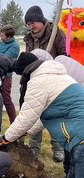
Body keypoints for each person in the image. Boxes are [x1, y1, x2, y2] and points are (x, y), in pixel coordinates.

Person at [0, 52, 84, 178]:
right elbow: (49, 113)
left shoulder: (38, 82)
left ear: (25, 72)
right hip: (80, 137)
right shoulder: (59, 77)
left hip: (81, 139)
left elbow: (26, 117)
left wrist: (6, 138)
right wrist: (27, 131)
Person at [23, 5, 67, 162]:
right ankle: (34, 150)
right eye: (28, 24)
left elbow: (64, 57)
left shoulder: (55, 33)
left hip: (53, 81)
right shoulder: (29, 38)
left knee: (55, 116)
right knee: (35, 115)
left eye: (33, 22)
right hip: (36, 82)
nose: (31, 26)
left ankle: (58, 148)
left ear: (41, 20)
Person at [0, 25, 20, 124]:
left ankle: (14, 122)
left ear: (9, 37)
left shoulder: (15, 46)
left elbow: (5, 60)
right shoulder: (0, 43)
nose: (0, 37)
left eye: (2, 35)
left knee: (6, 99)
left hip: (6, 75)